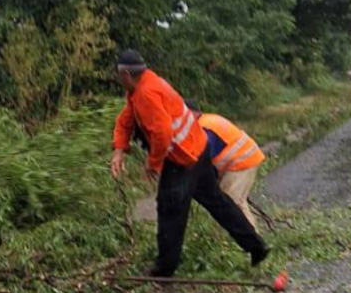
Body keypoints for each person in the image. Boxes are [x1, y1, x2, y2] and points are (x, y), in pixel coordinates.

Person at [110, 50, 270, 277]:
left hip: (182, 161)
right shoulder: (144, 84)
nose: (118, 79)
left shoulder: (146, 94)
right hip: (200, 150)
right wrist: (119, 149)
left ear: (126, 74)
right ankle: (256, 246)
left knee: (169, 209)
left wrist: (153, 162)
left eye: (118, 75)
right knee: (218, 202)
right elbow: (126, 119)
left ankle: (164, 269)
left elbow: (163, 133)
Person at [188, 101, 266, 230]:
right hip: (242, 160)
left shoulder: (204, 128)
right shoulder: (208, 121)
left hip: (241, 162)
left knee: (232, 202)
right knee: (232, 200)